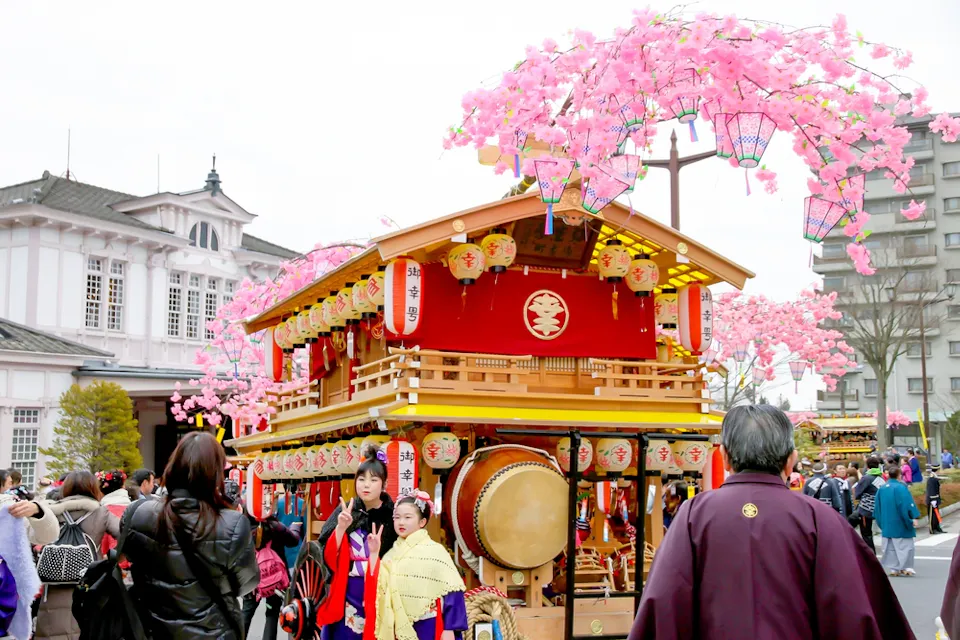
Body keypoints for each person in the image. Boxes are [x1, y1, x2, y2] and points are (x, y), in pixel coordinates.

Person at [627, 404, 914, 640]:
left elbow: (664, 604)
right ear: (791, 460)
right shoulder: (819, 518)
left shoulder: (694, 514)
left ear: (725, 458)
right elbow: (852, 610)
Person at [123, 432, 259, 639]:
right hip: (212, 632)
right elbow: (246, 582)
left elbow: (131, 561)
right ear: (215, 472)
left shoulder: (139, 514)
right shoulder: (232, 524)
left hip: (152, 629)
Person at [315, 445, 398, 640]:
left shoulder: (392, 515)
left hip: (380, 591)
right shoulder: (347, 509)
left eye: (373, 480)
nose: (366, 485)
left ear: (384, 484)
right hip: (347, 588)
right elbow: (326, 552)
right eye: (361, 480)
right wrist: (341, 528)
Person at [365, 490, 467, 640]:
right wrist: (374, 553)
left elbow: (452, 590)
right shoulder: (391, 554)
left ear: (422, 522)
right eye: (397, 517)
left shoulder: (435, 551)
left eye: (407, 517)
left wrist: (449, 628)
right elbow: (376, 587)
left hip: (429, 624)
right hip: (397, 626)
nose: (401, 522)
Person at [35, 470, 122, 640]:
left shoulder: (51, 511)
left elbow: (35, 538)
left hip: (53, 580)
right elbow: (123, 533)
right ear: (93, 487)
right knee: (85, 627)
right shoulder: (100, 512)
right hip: (89, 582)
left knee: (52, 627)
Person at [241, 511, 303, 640]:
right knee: (272, 614)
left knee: (246, 613)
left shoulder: (241, 527)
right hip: (274, 579)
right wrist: (295, 527)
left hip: (250, 579)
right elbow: (293, 540)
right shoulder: (274, 526)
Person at [873, 465, 921, 578]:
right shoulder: (901, 488)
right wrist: (912, 518)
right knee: (905, 546)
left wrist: (881, 522)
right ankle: (906, 567)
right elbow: (906, 505)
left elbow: (877, 508)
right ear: (899, 475)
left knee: (890, 546)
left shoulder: (882, 489)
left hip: (887, 522)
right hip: (900, 522)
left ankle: (894, 568)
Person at [854, 456, 886, 554]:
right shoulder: (881, 478)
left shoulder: (867, 478)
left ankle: (871, 554)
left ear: (867, 466)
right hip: (879, 508)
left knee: (866, 533)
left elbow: (857, 494)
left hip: (866, 509)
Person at [99, 469, 131, 559]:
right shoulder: (132, 508)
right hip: (129, 558)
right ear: (123, 486)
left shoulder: (101, 510)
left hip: (104, 559)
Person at [276, 490, 307, 572]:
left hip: (281, 553)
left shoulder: (277, 504)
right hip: (297, 551)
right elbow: (306, 531)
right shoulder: (303, 504)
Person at [926, 465, 944, 534]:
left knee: (936, 514)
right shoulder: (932, 478)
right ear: (938, 470)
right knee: (932, 515)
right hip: (932, 499)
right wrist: (933, 499)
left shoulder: (934, 477)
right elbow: (931, 489)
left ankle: (937, 527)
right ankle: (932, 529)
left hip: (935, 498)